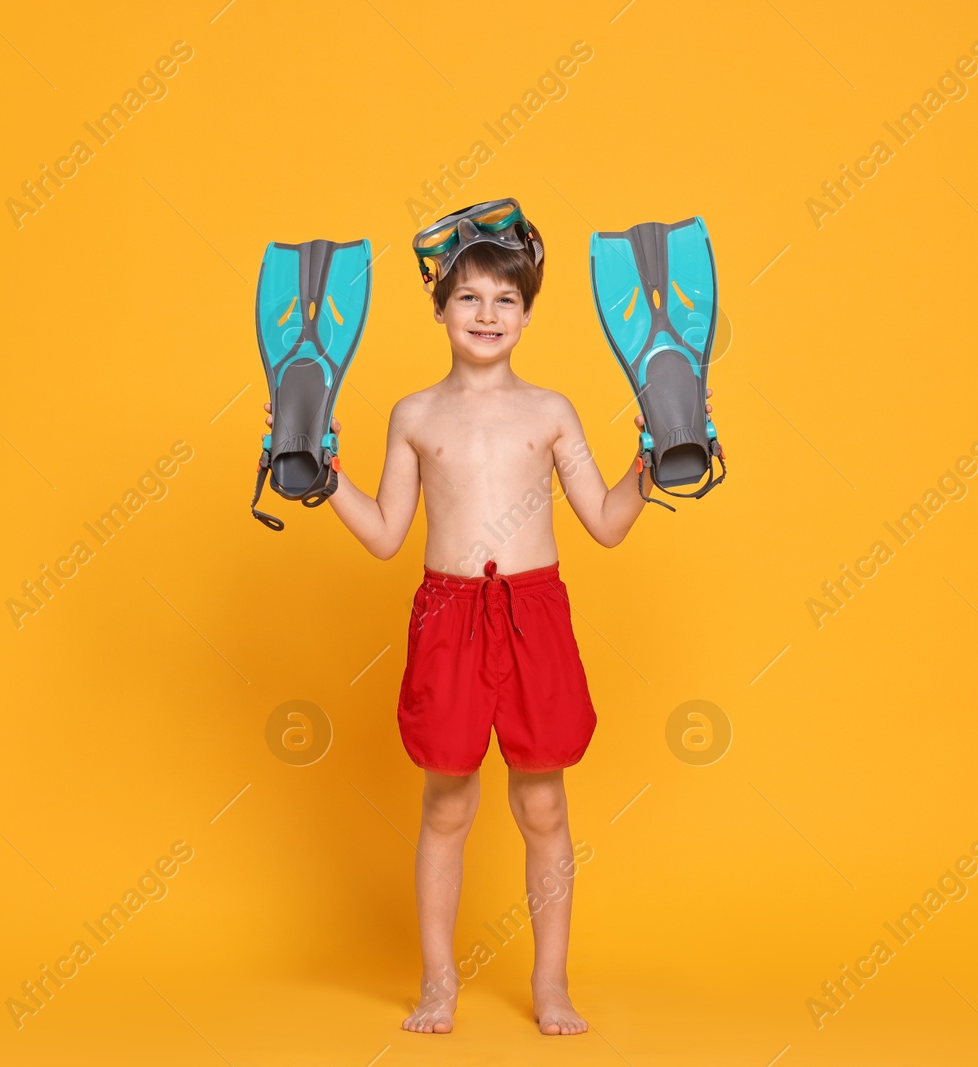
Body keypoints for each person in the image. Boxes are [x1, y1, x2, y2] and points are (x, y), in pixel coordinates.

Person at [262, 199, 714, 1035]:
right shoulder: (414, 415)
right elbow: (387, 536)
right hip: (449, 616)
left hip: (533, 616)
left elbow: (607, 525)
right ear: (439, 307)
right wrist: (323, 481)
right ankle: (439, 983)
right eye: (468, 297)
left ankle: (550, 984)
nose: (486, 314)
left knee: (544, 808)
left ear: (529, 313)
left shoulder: (550, 412)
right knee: (447, 806)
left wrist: (656, 458)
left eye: (505, 300)